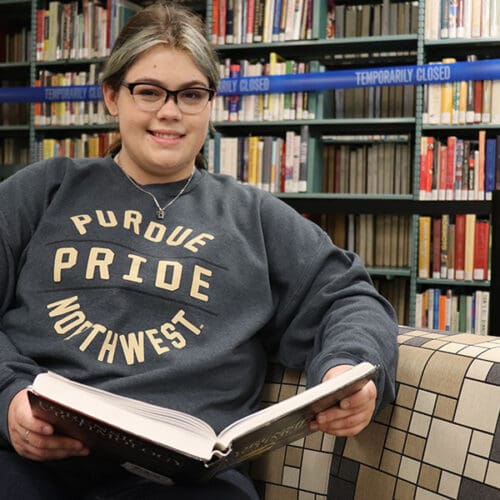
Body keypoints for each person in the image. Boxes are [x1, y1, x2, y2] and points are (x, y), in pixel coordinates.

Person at [0, 2, 399, 499]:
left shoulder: (253, 216)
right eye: (148, 91)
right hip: (33, 459)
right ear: (111, 96)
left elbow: (348, 296)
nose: (170, 111)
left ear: (211, 103)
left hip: (182, 478)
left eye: (190, 94)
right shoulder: (42, 190)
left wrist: (349, 369)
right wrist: (9, 397)